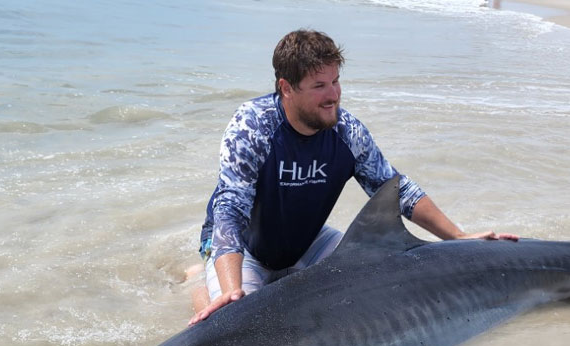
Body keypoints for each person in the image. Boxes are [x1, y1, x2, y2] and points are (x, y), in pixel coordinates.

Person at [189, 29, 516, 325]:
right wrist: (232, 292)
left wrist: (458, 238)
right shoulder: (253, 126)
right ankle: (199, 282)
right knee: (237, 325)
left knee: (390, 281)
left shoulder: (347, 131)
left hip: (307, 241)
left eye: (335, 81)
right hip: (246, 248)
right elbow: (229, 212)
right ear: (286, 88)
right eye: (319, 86)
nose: (333, 95)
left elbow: (396, 190)